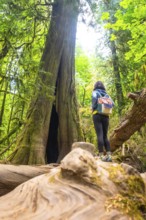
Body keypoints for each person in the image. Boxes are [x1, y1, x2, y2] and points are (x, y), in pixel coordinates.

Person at [92, 81, 114, 162]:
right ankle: (109, 156)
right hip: (106, 116)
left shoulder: (95, 92)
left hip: (97, 115)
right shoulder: (106, 94)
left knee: (99, 135)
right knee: (105, 136)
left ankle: (101, 156)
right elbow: (113, 104)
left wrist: (93, 107)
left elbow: (94, 100)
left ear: (95, 86)